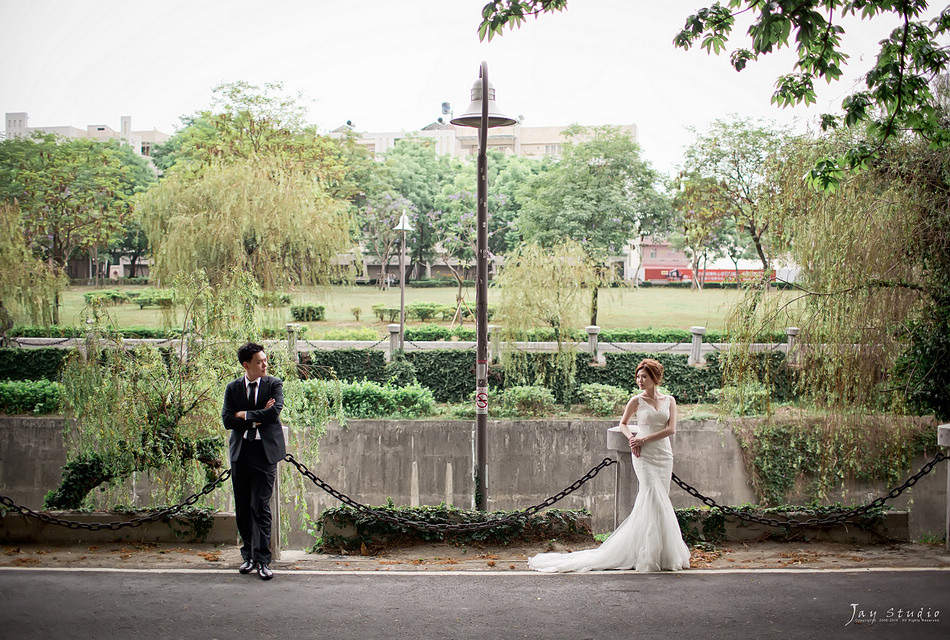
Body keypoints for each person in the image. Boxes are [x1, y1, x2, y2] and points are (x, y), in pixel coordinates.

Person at [528, 358, 691, 572]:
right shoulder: (636, 401)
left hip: (662, 453)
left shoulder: (669, 400)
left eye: (644, 377)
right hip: (643, 455)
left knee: (660, 500)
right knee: (651, 496)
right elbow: (623, 424)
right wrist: (632, 438)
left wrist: (644, 439)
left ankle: (663, 553)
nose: (639, 380)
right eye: (638, 376)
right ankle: (647, 554)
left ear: (655, 378)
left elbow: (671, 430)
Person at [222, 342, 286, 580]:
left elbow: (273, 413)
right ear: (246, 365)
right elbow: (228, 420)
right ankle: (247, 556)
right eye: (259, 362)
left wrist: (245, 415)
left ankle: (262, 560)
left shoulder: (273, 384)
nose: (265, 365)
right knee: (243, 508)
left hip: (264, 452)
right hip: (241, 453)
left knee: (260, 506)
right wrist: (255, 419)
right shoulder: (233, 388)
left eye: (265, 360)